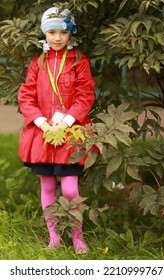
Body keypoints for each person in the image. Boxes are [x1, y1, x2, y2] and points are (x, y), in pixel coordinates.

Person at [17, 6, 95, 254]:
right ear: (45, 34)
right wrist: (42, 122)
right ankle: (54, 237)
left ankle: (77, 236)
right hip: (42, 136)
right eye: (51, 32)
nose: (57, 37)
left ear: (70, 32)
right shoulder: (36, 64)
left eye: (62, 31)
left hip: (71, 136)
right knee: (47, 187)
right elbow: (26, 96)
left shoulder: (80, 62)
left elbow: (85, 95)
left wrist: (66, 121)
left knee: (71, 188)